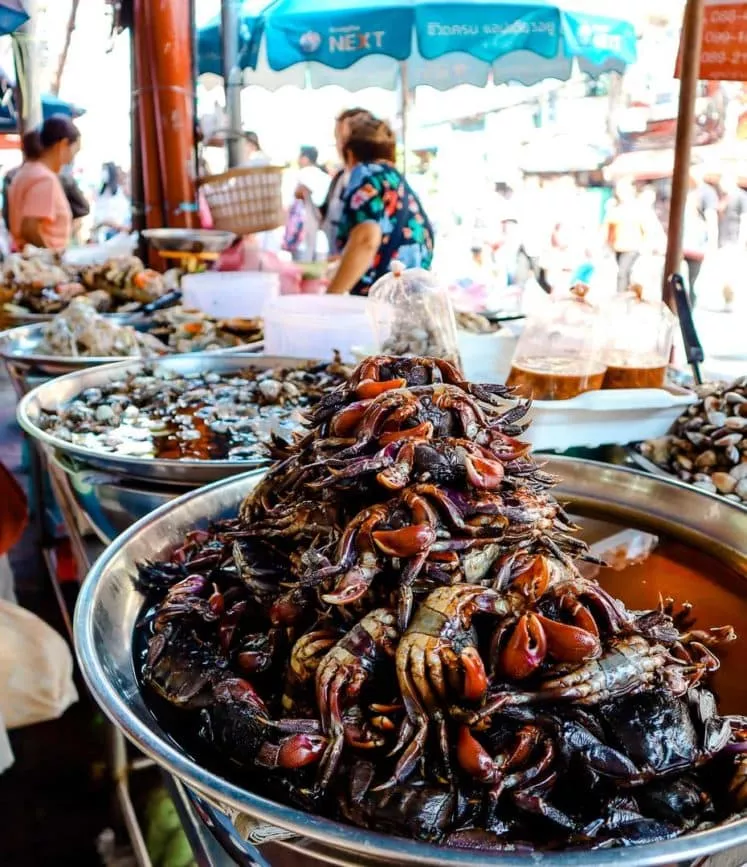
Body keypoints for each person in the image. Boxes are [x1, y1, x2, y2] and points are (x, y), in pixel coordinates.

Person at [327, 115, 434, 296]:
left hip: (382, 302)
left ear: (350, 153)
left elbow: (366, 238)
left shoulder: (364, 173)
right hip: (411, 296)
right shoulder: (393, 177)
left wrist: (330, 299)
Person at [8, 114, 81, 251]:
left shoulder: (28, 171)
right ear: (63, 144)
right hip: (40, 265)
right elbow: (30, 229)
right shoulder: (44, 179)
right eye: (74, 151)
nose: (71, 159)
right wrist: (52, 258)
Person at [319, 107, 374, 252]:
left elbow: (367, 239)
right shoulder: (339, 178)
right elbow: (324, 216)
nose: (341, 145)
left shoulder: (373, 179)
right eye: (338, 138)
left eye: (345, 139)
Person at [602, 178, 648, 293]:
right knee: (624, 273)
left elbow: (644, 226)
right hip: (619, 246)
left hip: (632, 246)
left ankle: (621, 295)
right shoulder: (615, 207)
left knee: (622, 273)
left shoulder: (637, 207)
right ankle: (626, 294)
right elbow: (609, 227)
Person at [682, 167, 718, 308]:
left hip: (696, 244)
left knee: (693, 281)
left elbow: (711, 220)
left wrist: (712, 244)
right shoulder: (685, 190)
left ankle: (690, 309)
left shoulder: (707, 193)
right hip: (683, 242)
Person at [92, 162, 131, 242]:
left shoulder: (120, 193)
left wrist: (116, 225)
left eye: (105, 170)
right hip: (104, 231)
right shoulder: (100, 193)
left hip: (118, 232)